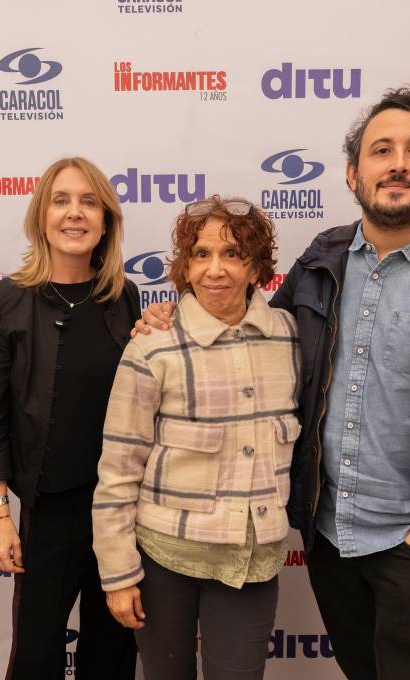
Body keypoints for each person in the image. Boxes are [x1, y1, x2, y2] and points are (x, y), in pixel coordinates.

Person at [136, 89, 410, 680]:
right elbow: (251, 338)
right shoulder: (321, 261)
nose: (398, 163)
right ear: (354, 171)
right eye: (382, 150)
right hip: (330, 538)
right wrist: (175, 316)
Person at [93, 196, 300, 680]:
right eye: (202, 254)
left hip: (251, 562)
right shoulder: (152, 344)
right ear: (184, 266)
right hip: (165, 559)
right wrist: (118, 573)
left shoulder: (290, 337)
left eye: (233, 255)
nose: (215, 270)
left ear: (257, 269)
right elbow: (119, 469)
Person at [0, 157, 139, 679]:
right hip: (49, 511)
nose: (74, 213)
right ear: (41, 216)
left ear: (106, 220)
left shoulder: (124, 297)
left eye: (89, 202)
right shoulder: (7, 301)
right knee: (37, 655)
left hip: (122, 509)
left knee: (112, 652)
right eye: (61, 200)